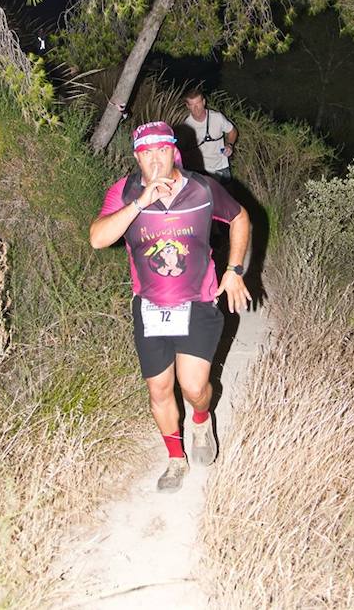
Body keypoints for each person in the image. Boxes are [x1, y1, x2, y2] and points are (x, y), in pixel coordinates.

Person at [90, 121, 251, 493]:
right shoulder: (126, 190)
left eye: (161, 150)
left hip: (197, 301)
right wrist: (139, 203)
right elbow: (99, 238)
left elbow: (240, 218)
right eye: (146, 153)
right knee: (159, 390)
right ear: (136, 157)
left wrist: (234, 270)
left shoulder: (203, 189)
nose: (155, 160)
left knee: (194, 387)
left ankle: (200, 419)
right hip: (149, 307)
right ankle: (176, 460)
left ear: (173, 151)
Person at [182, 87, 238, 182]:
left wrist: (230, 145)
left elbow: (232, 131)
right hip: (200, 170)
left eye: (198, 103)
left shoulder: (217, 117)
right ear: (187, 106)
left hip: (221, 166)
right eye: (192, 105)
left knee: (227, 195)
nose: (196, 108)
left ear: (204, 102)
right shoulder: (186, 125)